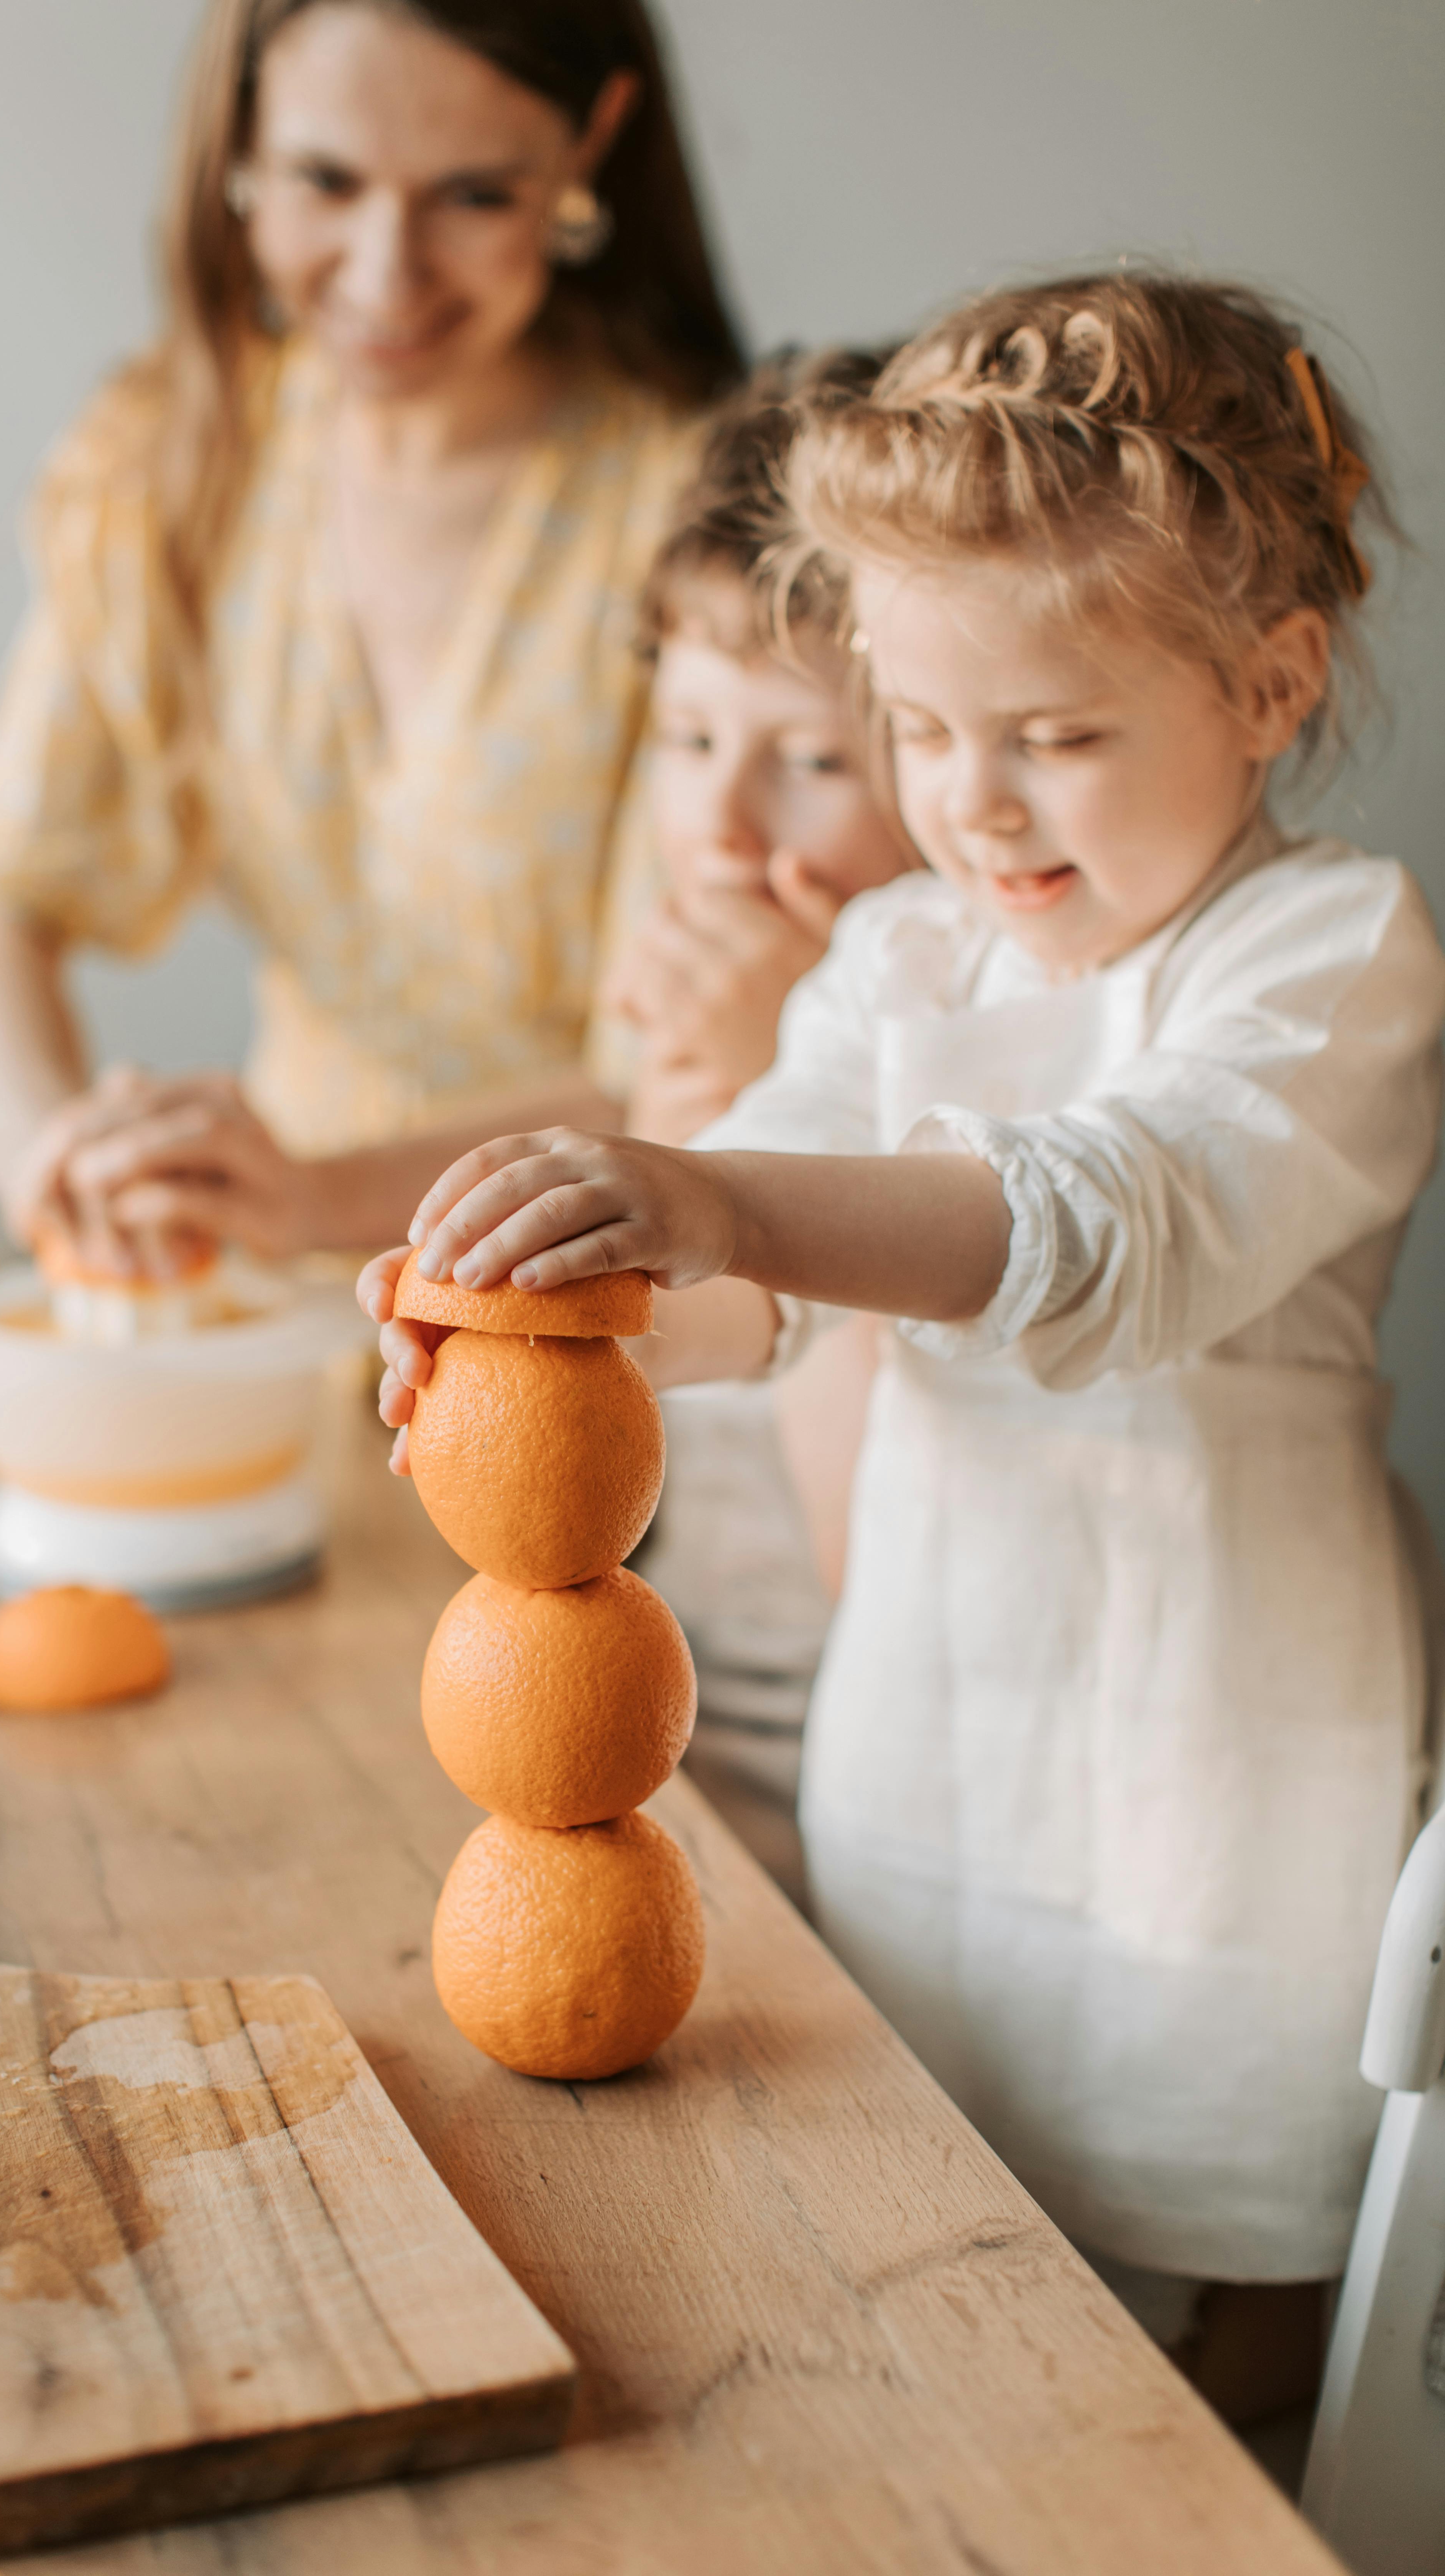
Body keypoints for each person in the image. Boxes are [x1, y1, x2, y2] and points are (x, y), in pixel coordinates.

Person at [363, 272, 1445, 2420]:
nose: (979, 806)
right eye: (925, 732)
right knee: (939, 2332)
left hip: (1213, 1820)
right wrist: (529, 1310)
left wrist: (730, 1195)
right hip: (930, 1778)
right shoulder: (896, 947)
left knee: (1186, 2394)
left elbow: (1097, 1225)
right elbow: (743, 1287)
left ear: (1269, 680)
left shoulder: (1338, 956)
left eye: (1055, 736)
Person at [0, 0, 740, 1270]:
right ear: (239, 141)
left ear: (595, 140)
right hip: (281, 1294)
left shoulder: (709, 524)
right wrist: (60, 1169)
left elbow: (683, 1071)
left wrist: (318, 1197)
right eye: (325, 180)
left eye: (472, 195)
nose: (382, 274)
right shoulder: (175, 466)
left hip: (608, 1304)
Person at [604, 353, 912, 1891]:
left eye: (807, 761)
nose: (720, 829)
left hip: (868, 1798)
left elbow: (874, 1566)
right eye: (688, 739)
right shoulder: (699, 978)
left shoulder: (955, 1082)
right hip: (677, 1741)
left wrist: (769, 1119)